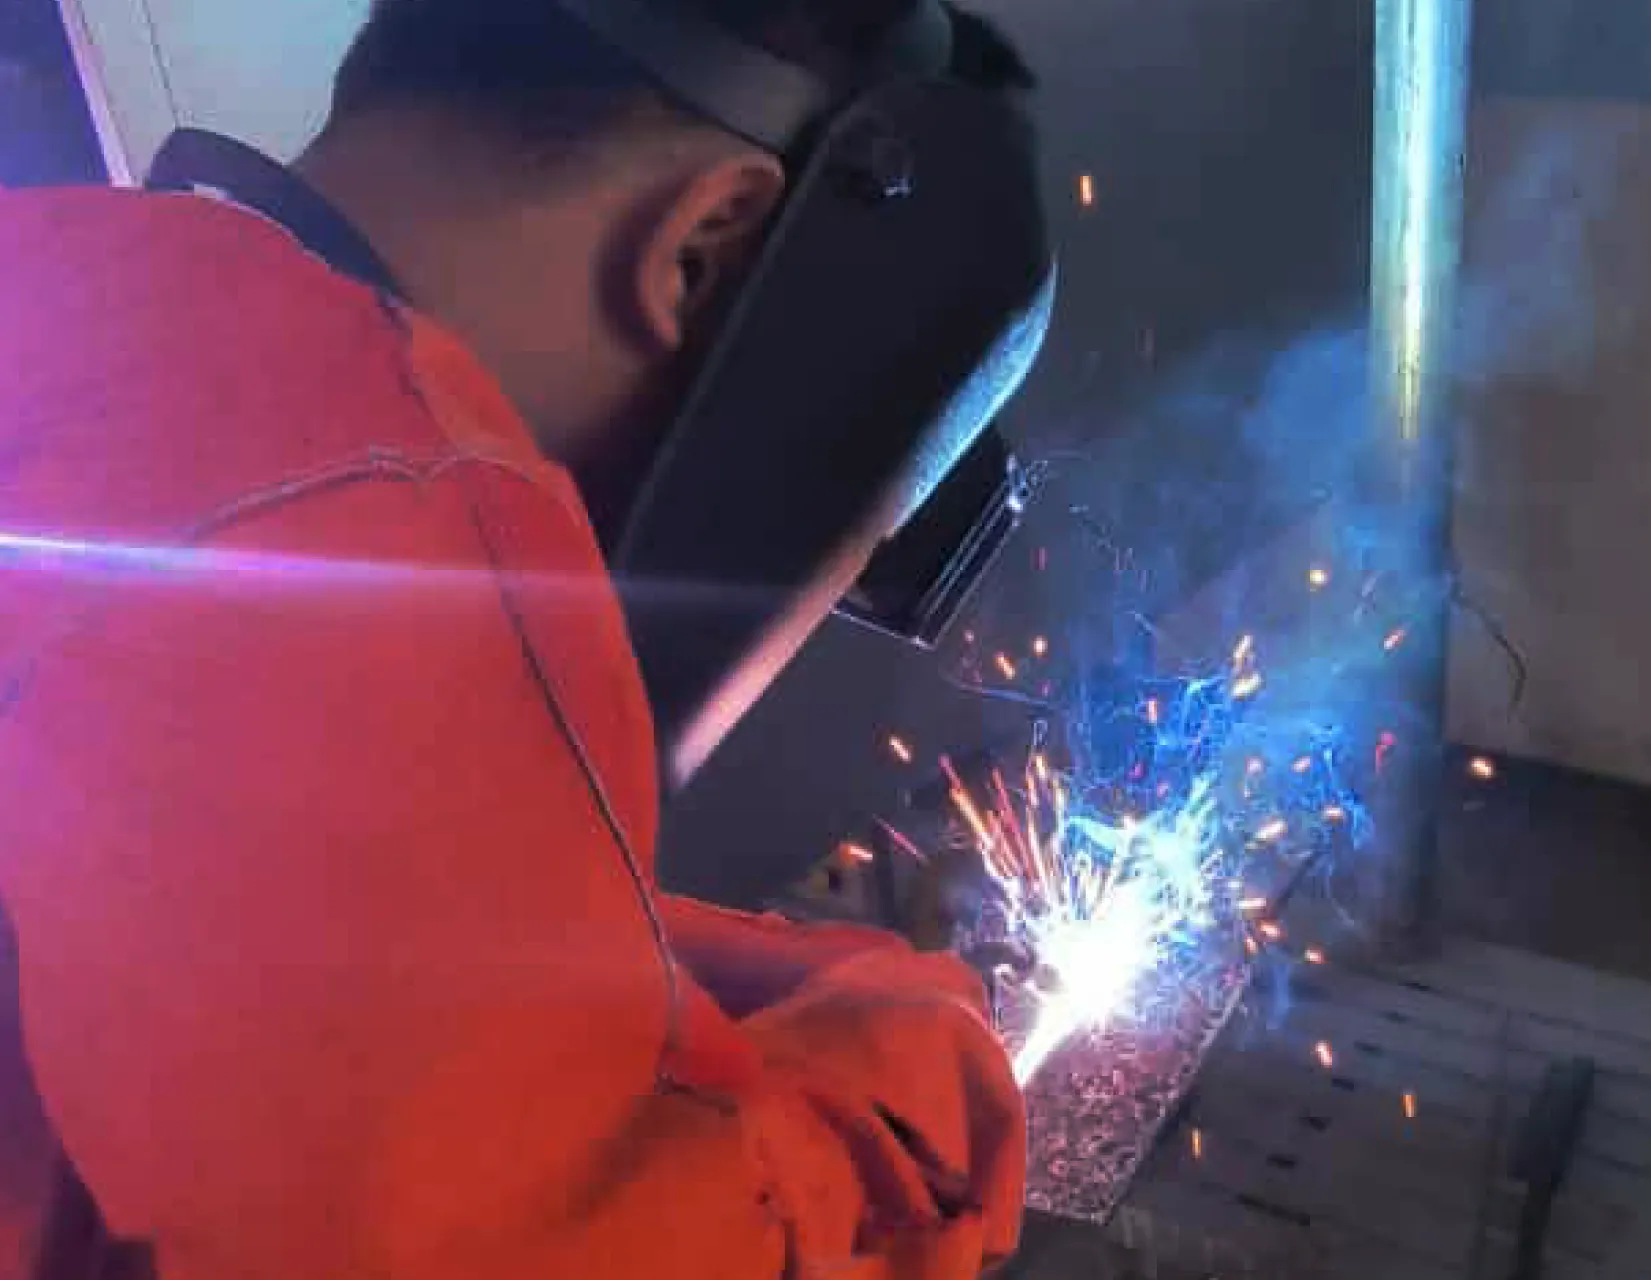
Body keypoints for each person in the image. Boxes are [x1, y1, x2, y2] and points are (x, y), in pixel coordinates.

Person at [0, 1, 1052, 1277]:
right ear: (704, 247)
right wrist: (894, 1124)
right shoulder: (390, 524)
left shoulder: (63, 300)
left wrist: (620, 962)